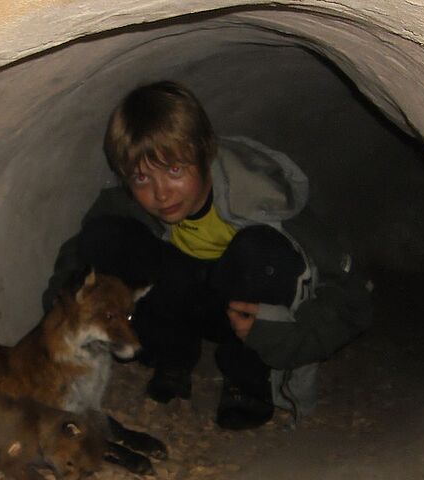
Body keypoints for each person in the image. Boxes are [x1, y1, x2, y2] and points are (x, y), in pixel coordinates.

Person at [42, 80, 373, 430]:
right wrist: (57, 324)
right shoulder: (129, 202)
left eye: (174, 170)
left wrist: (278, 338)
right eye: (141, 178)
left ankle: (247, 376)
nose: (161, 193)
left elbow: (354, 299)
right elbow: (79, 259)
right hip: (190, 296)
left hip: (247, 312)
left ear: (205, 153)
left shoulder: (264, 197)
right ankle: (173, 355)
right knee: (104, 237)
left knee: (258, 250)